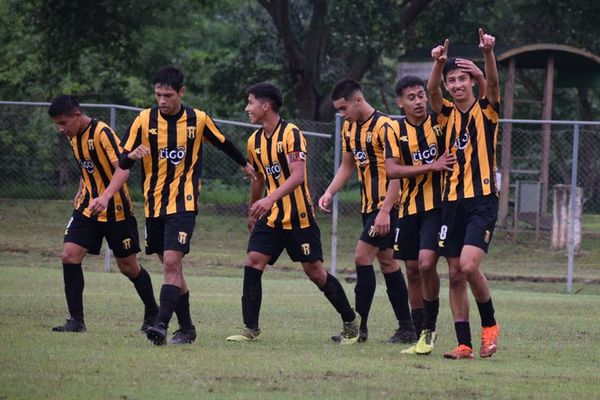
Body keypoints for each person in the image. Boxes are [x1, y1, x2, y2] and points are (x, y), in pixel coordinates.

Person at [119, 66, 257, 345]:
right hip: (154, 206)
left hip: (184, 203)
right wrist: (131, 156)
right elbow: (123, 161)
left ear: (181, 92)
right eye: (158, 94)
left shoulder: (198, 119)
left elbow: (224, 143)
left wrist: (244, 164)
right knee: (173, 270)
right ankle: (187, 328)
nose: (162, 101)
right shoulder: (143, 120)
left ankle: (160, 324)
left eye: (168, 95)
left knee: (172, 262)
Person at [226, 82, 360, 344]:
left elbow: (298, 176)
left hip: (299, 217)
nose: (247, 108)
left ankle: (350, 321)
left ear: (266, 106)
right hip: (272, 217)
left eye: (251, 102)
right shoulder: (254, 141)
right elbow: (258, 180)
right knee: (253, 261)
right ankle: (250, 328)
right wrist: (254, 210)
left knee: (315, 272)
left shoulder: (292, 134)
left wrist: (269, 199)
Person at [48, 95, 158, 333]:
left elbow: (123, 169)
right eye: (58, 124)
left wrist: (106, 196)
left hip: (116, 209)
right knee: (69, 255)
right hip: (87, 208)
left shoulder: (103, 133)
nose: (61, 129)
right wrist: (81, 192)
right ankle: (76, 321)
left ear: (77, 116)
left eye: (63, 123)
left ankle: (153, 313)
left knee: (128, 267)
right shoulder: (74, 137)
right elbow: (87, 169)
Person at [319, 78, 415, 344]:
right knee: (387, 263)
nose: (341, 114)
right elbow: (347, 165)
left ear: (358, 100)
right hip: (368, 206)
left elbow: (397, 174)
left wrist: (385, 211)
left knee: (362, 257)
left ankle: (358, 329)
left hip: (389, 205)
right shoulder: (350, 128)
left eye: (343, 108)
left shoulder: (387, 127)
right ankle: (407, 327)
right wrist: (329, 192)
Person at [427, 29, 501, 359]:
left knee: (469, 266)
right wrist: (437, 63)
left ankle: (490, 328)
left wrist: (487, 56)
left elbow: (494, 86)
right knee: (455, 274)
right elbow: (430, 91)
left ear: (472, 81)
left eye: (462, 79)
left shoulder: (486, 110)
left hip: (482, 200)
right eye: (451, 80)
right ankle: (464, 344)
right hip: (451, 202)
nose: (457, 84)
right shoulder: (445, 114)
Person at [385, 75, 457, 354]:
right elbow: (392, 170)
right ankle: (418, 331)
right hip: (408, 208)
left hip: (437, 207)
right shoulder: (394, 130)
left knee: (427, 264)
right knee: (412, 270)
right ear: (400, 102)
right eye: (411, 98)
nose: (418, 101)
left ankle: (429, 328)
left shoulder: (438, 123)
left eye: (420, 96)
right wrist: (431, 167)